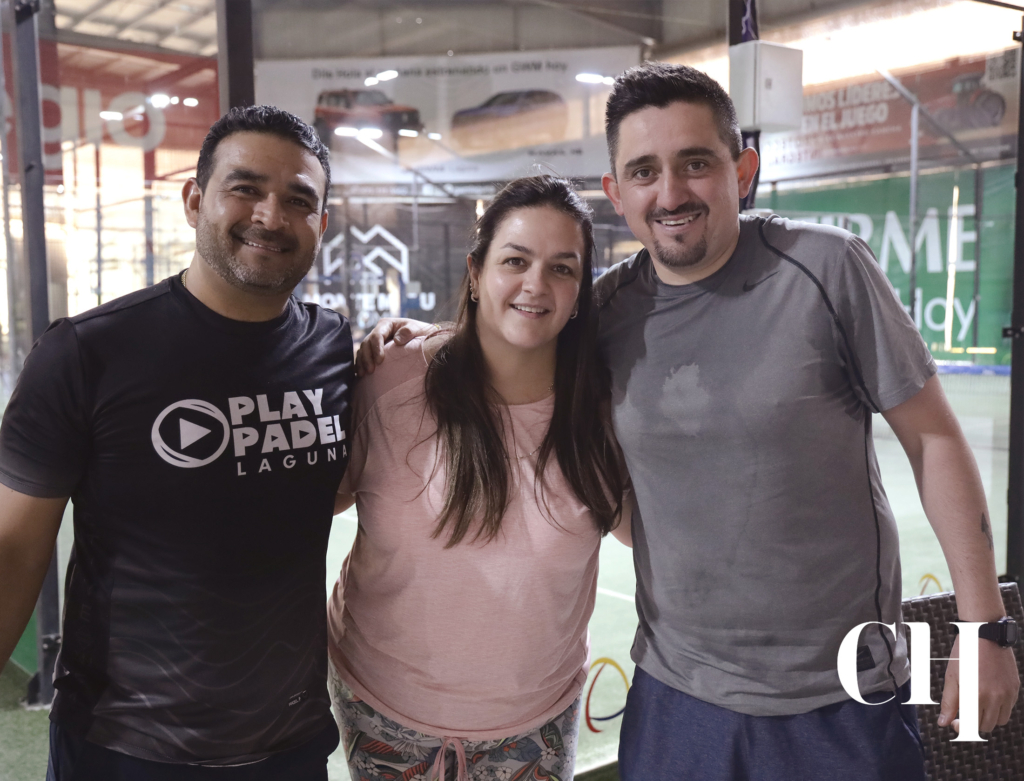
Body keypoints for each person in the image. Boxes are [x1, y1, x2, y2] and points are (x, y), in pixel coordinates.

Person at [359, 63, 1019, 780]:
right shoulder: (606, 313)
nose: (670, 193)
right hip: (677, 694)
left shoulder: (828, 269)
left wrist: (983, 626)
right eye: (644, 171)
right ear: (617, 192)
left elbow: (933, 439)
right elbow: (512, 322)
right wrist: (418, 336)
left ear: (743, 170)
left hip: (840, 690)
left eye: (696, 163)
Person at [0, 105, 352, 780]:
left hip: (292, 743)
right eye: (246, 188)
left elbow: (315, 487)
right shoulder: (87, 353)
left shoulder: (332, 344)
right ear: (195, 201)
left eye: (298, 200)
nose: (271, 216)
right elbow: (13, 547)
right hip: (125, 749)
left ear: (321, 223)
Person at [328, 175, 630, 781]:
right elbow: (316, 503)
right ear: (474, 271)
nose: (535, 284)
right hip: (382, 708)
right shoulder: (388, 380)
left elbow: (645, 534)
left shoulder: (603, 411)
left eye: (562, 268)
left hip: (535, 722)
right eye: (515, 260)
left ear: (580, 292)